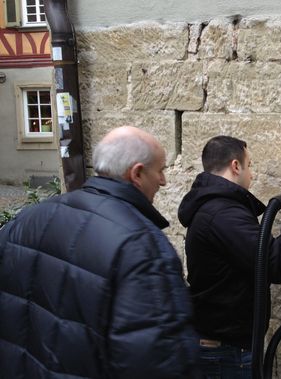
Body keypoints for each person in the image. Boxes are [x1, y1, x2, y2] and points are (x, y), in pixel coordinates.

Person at [0, 126, 198, 378]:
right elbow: (159, 359)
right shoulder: (142, 247)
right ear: (136, 173)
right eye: (159, 171)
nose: (163, 181)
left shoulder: (28, 218)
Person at [177, 135, 281, 377]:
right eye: (249, 165)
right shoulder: (223, 214)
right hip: (226, 353)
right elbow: (274, 264)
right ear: (235, 166)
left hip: (227, 346)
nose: (251, 173)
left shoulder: (218, 209)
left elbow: (255, 253)